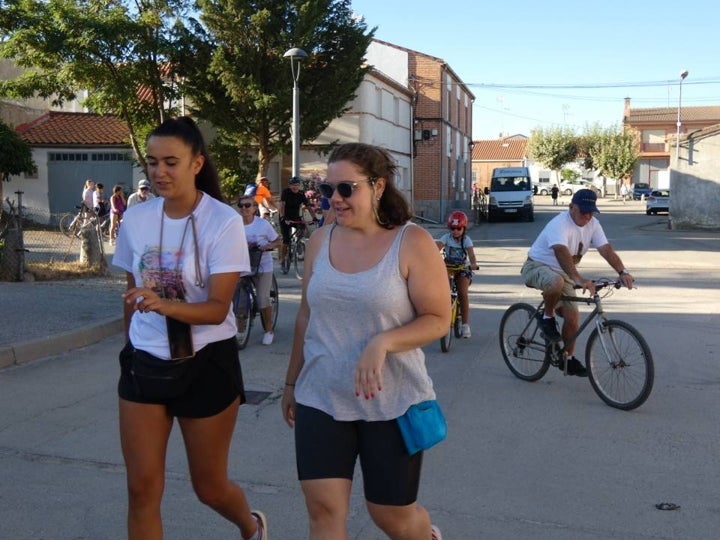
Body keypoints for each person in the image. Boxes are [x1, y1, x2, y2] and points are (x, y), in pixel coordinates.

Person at [281, 143, 449, 540]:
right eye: (326, 190)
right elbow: (307, 315)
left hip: (391, 402)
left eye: (345, 189)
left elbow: (439, 318)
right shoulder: (321, 242)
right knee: (324, 512)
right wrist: (291, 384)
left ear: (378, 186)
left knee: (391, 516)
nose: (334, 199)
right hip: (321, 396)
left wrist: (384, 342)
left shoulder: (412, 242)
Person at [111, 116, 267, 540]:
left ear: (197, 163)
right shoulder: (136, 219)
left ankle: (250, 527)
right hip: (145, 362)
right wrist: (133, 345)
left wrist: (165, 304)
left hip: (206, 364)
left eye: (171, 162)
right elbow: (131, 291)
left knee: (210, 487)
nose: (159, 172)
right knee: (141, 489)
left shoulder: (223, 221)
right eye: (153, 162)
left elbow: (218, 310)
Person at [520, 189, 635, 377]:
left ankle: (567, 359)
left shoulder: (593, 224)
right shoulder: (559, 224)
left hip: (563, 273)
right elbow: (561, 252)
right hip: (536, 266)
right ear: (571, 207)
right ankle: (547, 318)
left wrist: (622, 271)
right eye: (584, 211)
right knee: (556, 281)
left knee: (573, 318)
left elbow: (606, 249)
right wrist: (579, 279)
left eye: (592, 212)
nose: (588, 216)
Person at [237, 194, 282, 345]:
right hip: (241, 266)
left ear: (255, 208)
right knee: (239, 300)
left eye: (248, 205)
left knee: (263, 299)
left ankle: (269, 330)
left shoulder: (262, 224)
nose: (244, 208)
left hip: (262, 265)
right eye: (241, 205)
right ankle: (240, 329)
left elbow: (278, 241)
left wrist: (268, 246)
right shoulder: (234, 224)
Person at [435, 210, 479, 339]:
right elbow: (436, 247)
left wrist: (473, 264)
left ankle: (465, 324)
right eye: (453, 228)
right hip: (448, 267)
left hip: (462, 268)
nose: (455, 231)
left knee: (462, 293)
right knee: (441, 292)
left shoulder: (466, 240)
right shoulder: (446, 237)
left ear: (464, 228)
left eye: (459, 228)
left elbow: (471, 255)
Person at [279, 176, 309, 267]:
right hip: (285, 218)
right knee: (286, 240)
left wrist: (315, 217)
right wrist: (284, 217)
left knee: (303, 227)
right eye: (293, 185)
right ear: (290, 186)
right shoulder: (286, 192)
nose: (295, 187)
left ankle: (298, 243)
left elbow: (308, 206)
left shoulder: (301, 193)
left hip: (295, 217)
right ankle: (283, 258)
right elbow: (282, 206)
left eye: (297, 185)